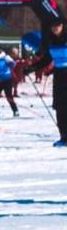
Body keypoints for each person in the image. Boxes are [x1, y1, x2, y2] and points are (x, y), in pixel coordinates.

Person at [40, 17, 67, 146]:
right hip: (59, 76)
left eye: (58, 26)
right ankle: (64, 137)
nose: (55, 28)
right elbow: (47, 59)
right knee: (59, 107)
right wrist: (31, 68)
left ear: (62, 26)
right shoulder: (51, 41)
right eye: (53, 26)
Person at [0, 47, 20, 117]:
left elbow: (13, 64)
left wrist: (11, 64)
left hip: (7, 80)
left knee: (9, 96)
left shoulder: (5, 57)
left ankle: (15, 110)